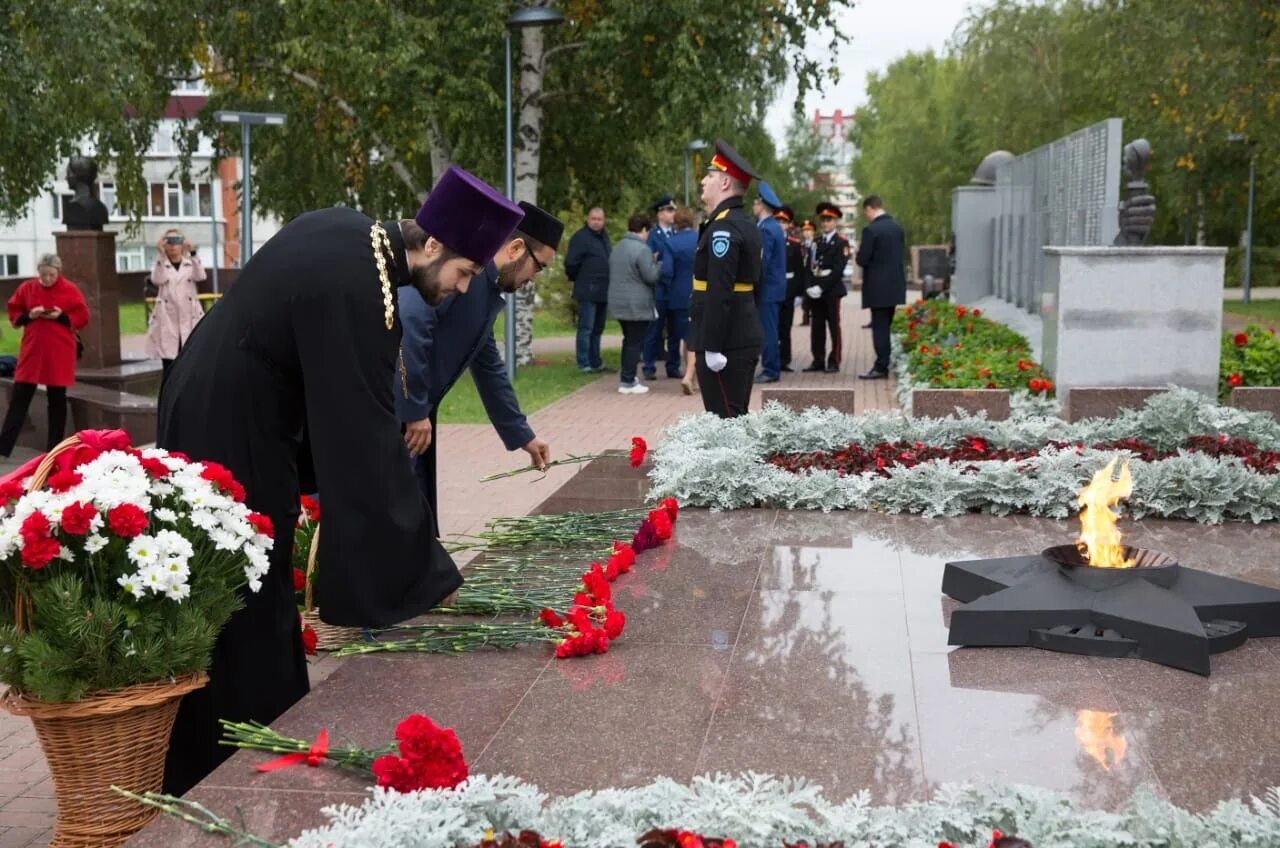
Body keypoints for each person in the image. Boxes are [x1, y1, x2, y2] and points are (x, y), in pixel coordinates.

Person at [155, 165, 524, 796]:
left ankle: (260, 727)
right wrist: (426, 572)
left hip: (231, 412)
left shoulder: (361, 246)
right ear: (432, 245)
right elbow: (364, 439)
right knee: (245, 583)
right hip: (227, 423)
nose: (463, 290)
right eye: (464, 273)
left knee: (258, 580)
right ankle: (226, 756)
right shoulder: (361, 279)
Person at [397, 201, 563, 535]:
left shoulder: (487, 287)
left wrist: (522, 435)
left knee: (412, 521)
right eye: (538, 267)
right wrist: (414, 410)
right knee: (391, 517)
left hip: (413, 421)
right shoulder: (463, 271)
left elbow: (488, 367)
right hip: (394, 414)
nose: (534, 279)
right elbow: (412, 323)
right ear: (516, 248)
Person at [688, 138, 762, 418]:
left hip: (726, 343)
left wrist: (713, 346)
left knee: (725, 422)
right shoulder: (742, 223)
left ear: (725, 184)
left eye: (710, 176)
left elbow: (720, 290)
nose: (704, 182)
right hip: (739, 335)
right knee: (732, 419)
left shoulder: (725, 228)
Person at [0, 255, 89, 456]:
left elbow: (82, 316)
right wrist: (29, 315)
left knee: (57, 399)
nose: (47, 279)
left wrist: (62, 316)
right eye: (43, 275)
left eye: (51, 275)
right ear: (37, 272)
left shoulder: (69, 289)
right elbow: (14, 310)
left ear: (59, 272)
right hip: (33, 349)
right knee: (20, 396)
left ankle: (54, 448)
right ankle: (4, 446)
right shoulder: (27, 288)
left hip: (59, 350)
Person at [608, 213, 662, 394]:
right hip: (636, 304)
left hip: (619, 303)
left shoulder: (619, 247)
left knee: (628, 340)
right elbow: (651, 276)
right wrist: (657, 264)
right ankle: (628, 381)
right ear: (644, 230)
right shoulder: (642, 249)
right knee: (634, 343)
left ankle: (627, 376)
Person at [855, 194, 907, 379]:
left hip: (877, 288)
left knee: (880, 328)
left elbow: (862, 260)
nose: (866, 216)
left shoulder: (871, 230)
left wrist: (857, 252)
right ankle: (884, 363)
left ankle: (880, 366)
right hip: (894, 286)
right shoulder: (897, 228)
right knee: (886, 325)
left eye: (865, 212)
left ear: (870, 208)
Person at [146, 228, 207, 380]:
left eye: (177, 241)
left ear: (183, 244)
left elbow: (201, 276)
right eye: (169, 242)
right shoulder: (161, 264)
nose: (173, 246)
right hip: (167, 322)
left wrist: (193, 253)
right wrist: (160, 255)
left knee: (189, 362)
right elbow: (157, 279)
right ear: (164, 245)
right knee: (169, 366)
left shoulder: (190, 264)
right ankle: (167, 400)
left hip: (189, 319)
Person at [803, 202, 849, 373]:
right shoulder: (815, 242)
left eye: (829, 220)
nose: (825, 223)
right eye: (823, 220)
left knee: (833, 326)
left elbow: (838, 270)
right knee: (817, 327)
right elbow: (808, 266)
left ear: (835, 221)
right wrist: (808, 286)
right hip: (815, 291)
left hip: (831, 290)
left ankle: (834, 360)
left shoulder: (841, 243)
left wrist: (821, 287)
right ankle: (818, 359)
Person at [565, 207, 612, 373]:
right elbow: (571, 264)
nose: (596, 222)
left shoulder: (604, 237)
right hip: (587, 289)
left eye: (599, 219)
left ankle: (596, 361)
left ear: (604, 220)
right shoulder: (580, 238)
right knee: (586, 328)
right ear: (587, 219)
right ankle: (583, 363)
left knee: (598, 328)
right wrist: (581, 279)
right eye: (593, 218)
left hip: (603, 290)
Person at [642, 195, 681, 380]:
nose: (673, 214)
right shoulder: (652, 235)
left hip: (674, 287)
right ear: (660, 213)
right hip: (659, 288)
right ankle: (648, 366)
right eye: (669, 210)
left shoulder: (676, 233)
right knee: (654, 329)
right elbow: (649, 259)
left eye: (673, 210)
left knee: (675, 330)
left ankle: (673, 366)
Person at [752, 182, 787, 383]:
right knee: (768, 329)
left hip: (767, 288)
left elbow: (762, 261)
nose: (754, 205)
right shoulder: (771, 226)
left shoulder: (766, 229)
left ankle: (771, 369)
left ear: (762, 204)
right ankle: (770, 367)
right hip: (772, 287)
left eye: (756, 202)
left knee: (768, 330)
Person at [776, 208, 805, 373]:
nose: (781, 225)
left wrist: (799, 293)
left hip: (789, 290)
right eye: (778, 221)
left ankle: (784, 360)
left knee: (785, 328)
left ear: (789, 224)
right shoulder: (769, 240)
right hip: (774, 290)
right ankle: (772, 358)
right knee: (773, 327)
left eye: (784, 222)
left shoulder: (794, 244)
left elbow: (799, 270)